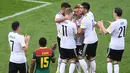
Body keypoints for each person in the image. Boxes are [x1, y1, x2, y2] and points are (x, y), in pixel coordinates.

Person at [97, 7, 127, 73]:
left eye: (113, 12)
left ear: (115, 13)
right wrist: (112, 24)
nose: (113, 13)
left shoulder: (114, 24)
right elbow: (119, 26)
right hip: (121, 46)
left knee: (109, 60)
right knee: (116, 62)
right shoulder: (125, 21)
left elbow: (105, 32)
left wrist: (101, 25)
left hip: (114, 46)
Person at [78, 2, 99, 73]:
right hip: (95, 39)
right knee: (91, 57)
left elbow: (80, 31)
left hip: (88, 41)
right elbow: (94, 23)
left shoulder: (85, 19)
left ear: (86, 9)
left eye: (81, 8)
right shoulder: (91, 14)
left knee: (80, 56)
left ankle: (86, 71)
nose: (79, 9)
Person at [55, 2, 71, 73]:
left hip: (68, 38)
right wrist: (66, 18)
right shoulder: (58, 15)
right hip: (61, 38)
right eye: (67, 9)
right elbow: (56, 20)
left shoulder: (67, 15)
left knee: (69, 55)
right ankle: (59, 69)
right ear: (63, 9)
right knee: (62, 55)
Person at [59, 8, 77, 73]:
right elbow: (76, 33)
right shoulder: (72, 24)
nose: (72, 15)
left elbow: (60, 32)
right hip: (71, 45)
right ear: (69, 14)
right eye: (71, 14)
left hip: (62, 45)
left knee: (63, 60)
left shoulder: (61, 23)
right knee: (73, 60)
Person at [73, 4, 84, 73]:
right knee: (76, 58)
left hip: (82, 42)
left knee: (80, 57)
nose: (75, 13)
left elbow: (78, 32)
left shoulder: (83, 19)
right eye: (74, 12)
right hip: (74, 42)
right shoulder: (72, 19)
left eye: (77, 12)